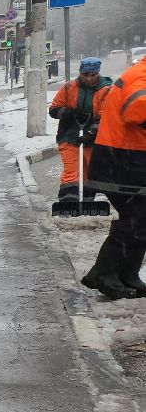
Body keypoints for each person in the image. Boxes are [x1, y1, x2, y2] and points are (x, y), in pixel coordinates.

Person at [80, 59, 146, 299]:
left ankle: (126, 274)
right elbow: (137, 108)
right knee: (137, 218)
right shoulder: (141, 75)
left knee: (140, 219)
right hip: (120, 162)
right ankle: (104, 274)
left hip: (129, 161)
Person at [50, 58, 113, 209]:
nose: (89, 78)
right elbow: (54, 109)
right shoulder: (69, 88)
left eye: (93, 74)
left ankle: (87, 203)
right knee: (71, 170)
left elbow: (105, 115)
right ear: (80, 73)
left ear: (97, 73)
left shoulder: (106, 90)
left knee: (89, 172)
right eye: (86, 74)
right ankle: (68, 202)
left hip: (93, 139)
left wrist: (91, 133)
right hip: (68, 136)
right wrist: (67, 113)